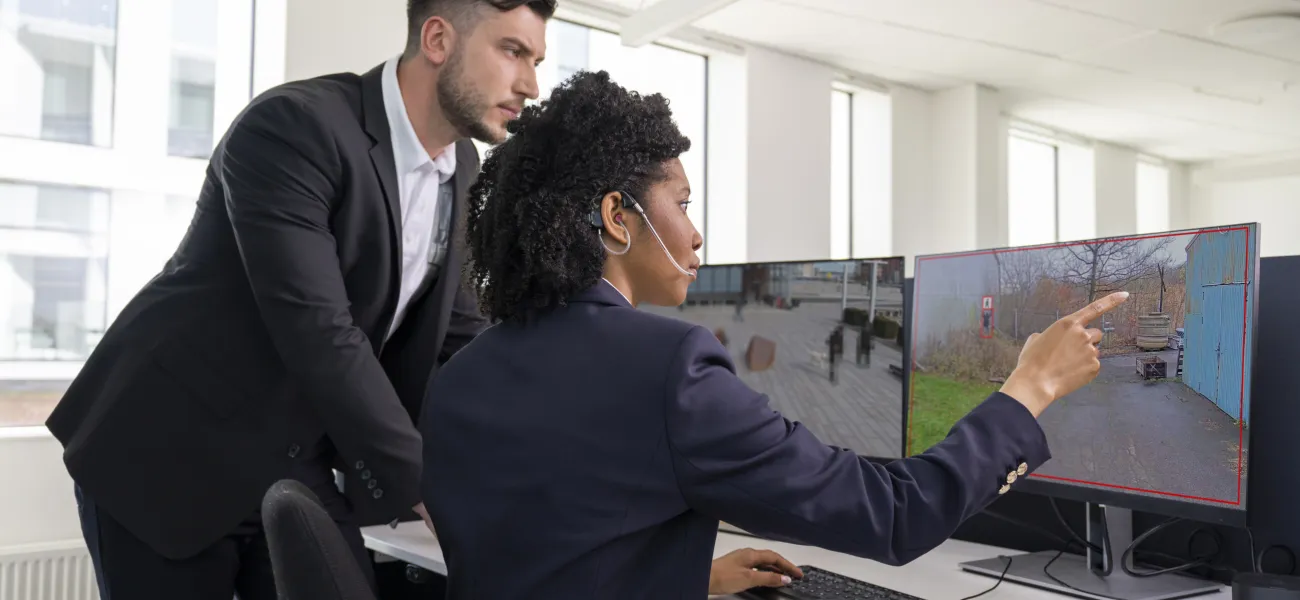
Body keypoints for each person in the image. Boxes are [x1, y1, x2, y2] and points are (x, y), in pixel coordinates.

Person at [419, 70, 1129, 599]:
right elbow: (895, 516)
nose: (696, 236)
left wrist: (685, 577)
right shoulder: (665, 364)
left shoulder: (462, 376)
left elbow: (549, 562)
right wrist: (1029, 387)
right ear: (617, 215)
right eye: (683, 204)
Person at [42, 1, 556, 597]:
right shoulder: (293, 126)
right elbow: (319, 330)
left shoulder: (461, 166)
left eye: (536, 59)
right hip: (168, 449)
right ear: (438, 39)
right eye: (512, 51)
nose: (531, 84)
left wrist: (528, 454)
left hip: (291, 456)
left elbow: (456, 338)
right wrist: (427, 483)